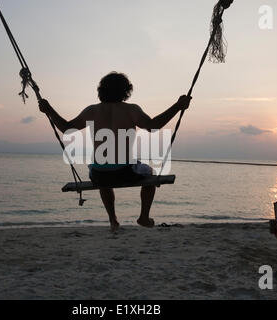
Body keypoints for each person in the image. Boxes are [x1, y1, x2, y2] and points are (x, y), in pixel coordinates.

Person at [38, 72, 191, 232]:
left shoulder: (92, 110)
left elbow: (66, 128)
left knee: (103, 176)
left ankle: (113, 220)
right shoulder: (131, 110)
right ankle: (144, 216)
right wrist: (178, 106)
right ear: (126, 91)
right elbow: (153, 126)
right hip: (124, 172)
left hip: (99, 174)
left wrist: (49, 110)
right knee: (151, 174)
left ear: (101, 90)